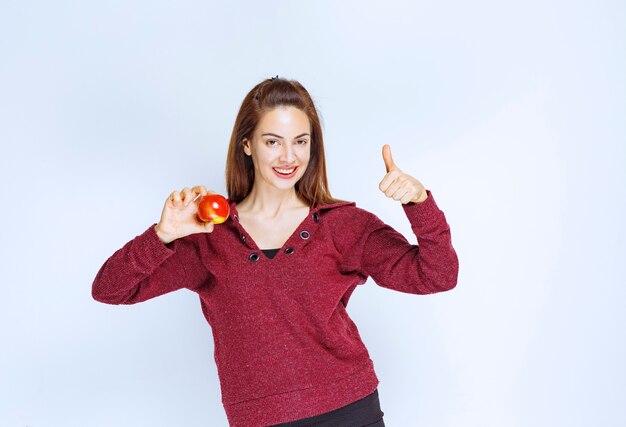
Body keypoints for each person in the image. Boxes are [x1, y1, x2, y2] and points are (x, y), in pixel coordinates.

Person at [92, 76, 459, 427]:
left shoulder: (344, 225)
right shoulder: (207, 236)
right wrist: (163, 235)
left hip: (351, 411)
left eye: (300, 141)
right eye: (273, 142)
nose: (288, 156)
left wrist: (419, 201)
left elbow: (437, 275)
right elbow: (110, 290)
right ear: (247, 144)